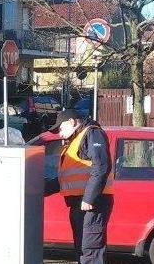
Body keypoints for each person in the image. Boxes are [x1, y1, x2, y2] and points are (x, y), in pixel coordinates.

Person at [45, 109, 114, 264]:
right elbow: (67, 178)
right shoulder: (75, 140)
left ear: (72, 122)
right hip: (80, 204)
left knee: (90, 249)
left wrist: (89, 198)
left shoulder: (92, 133)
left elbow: (101, 166)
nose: (59, 133)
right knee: (83, 248)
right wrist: (37, 189)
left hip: (93, 203)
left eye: (61, 128)